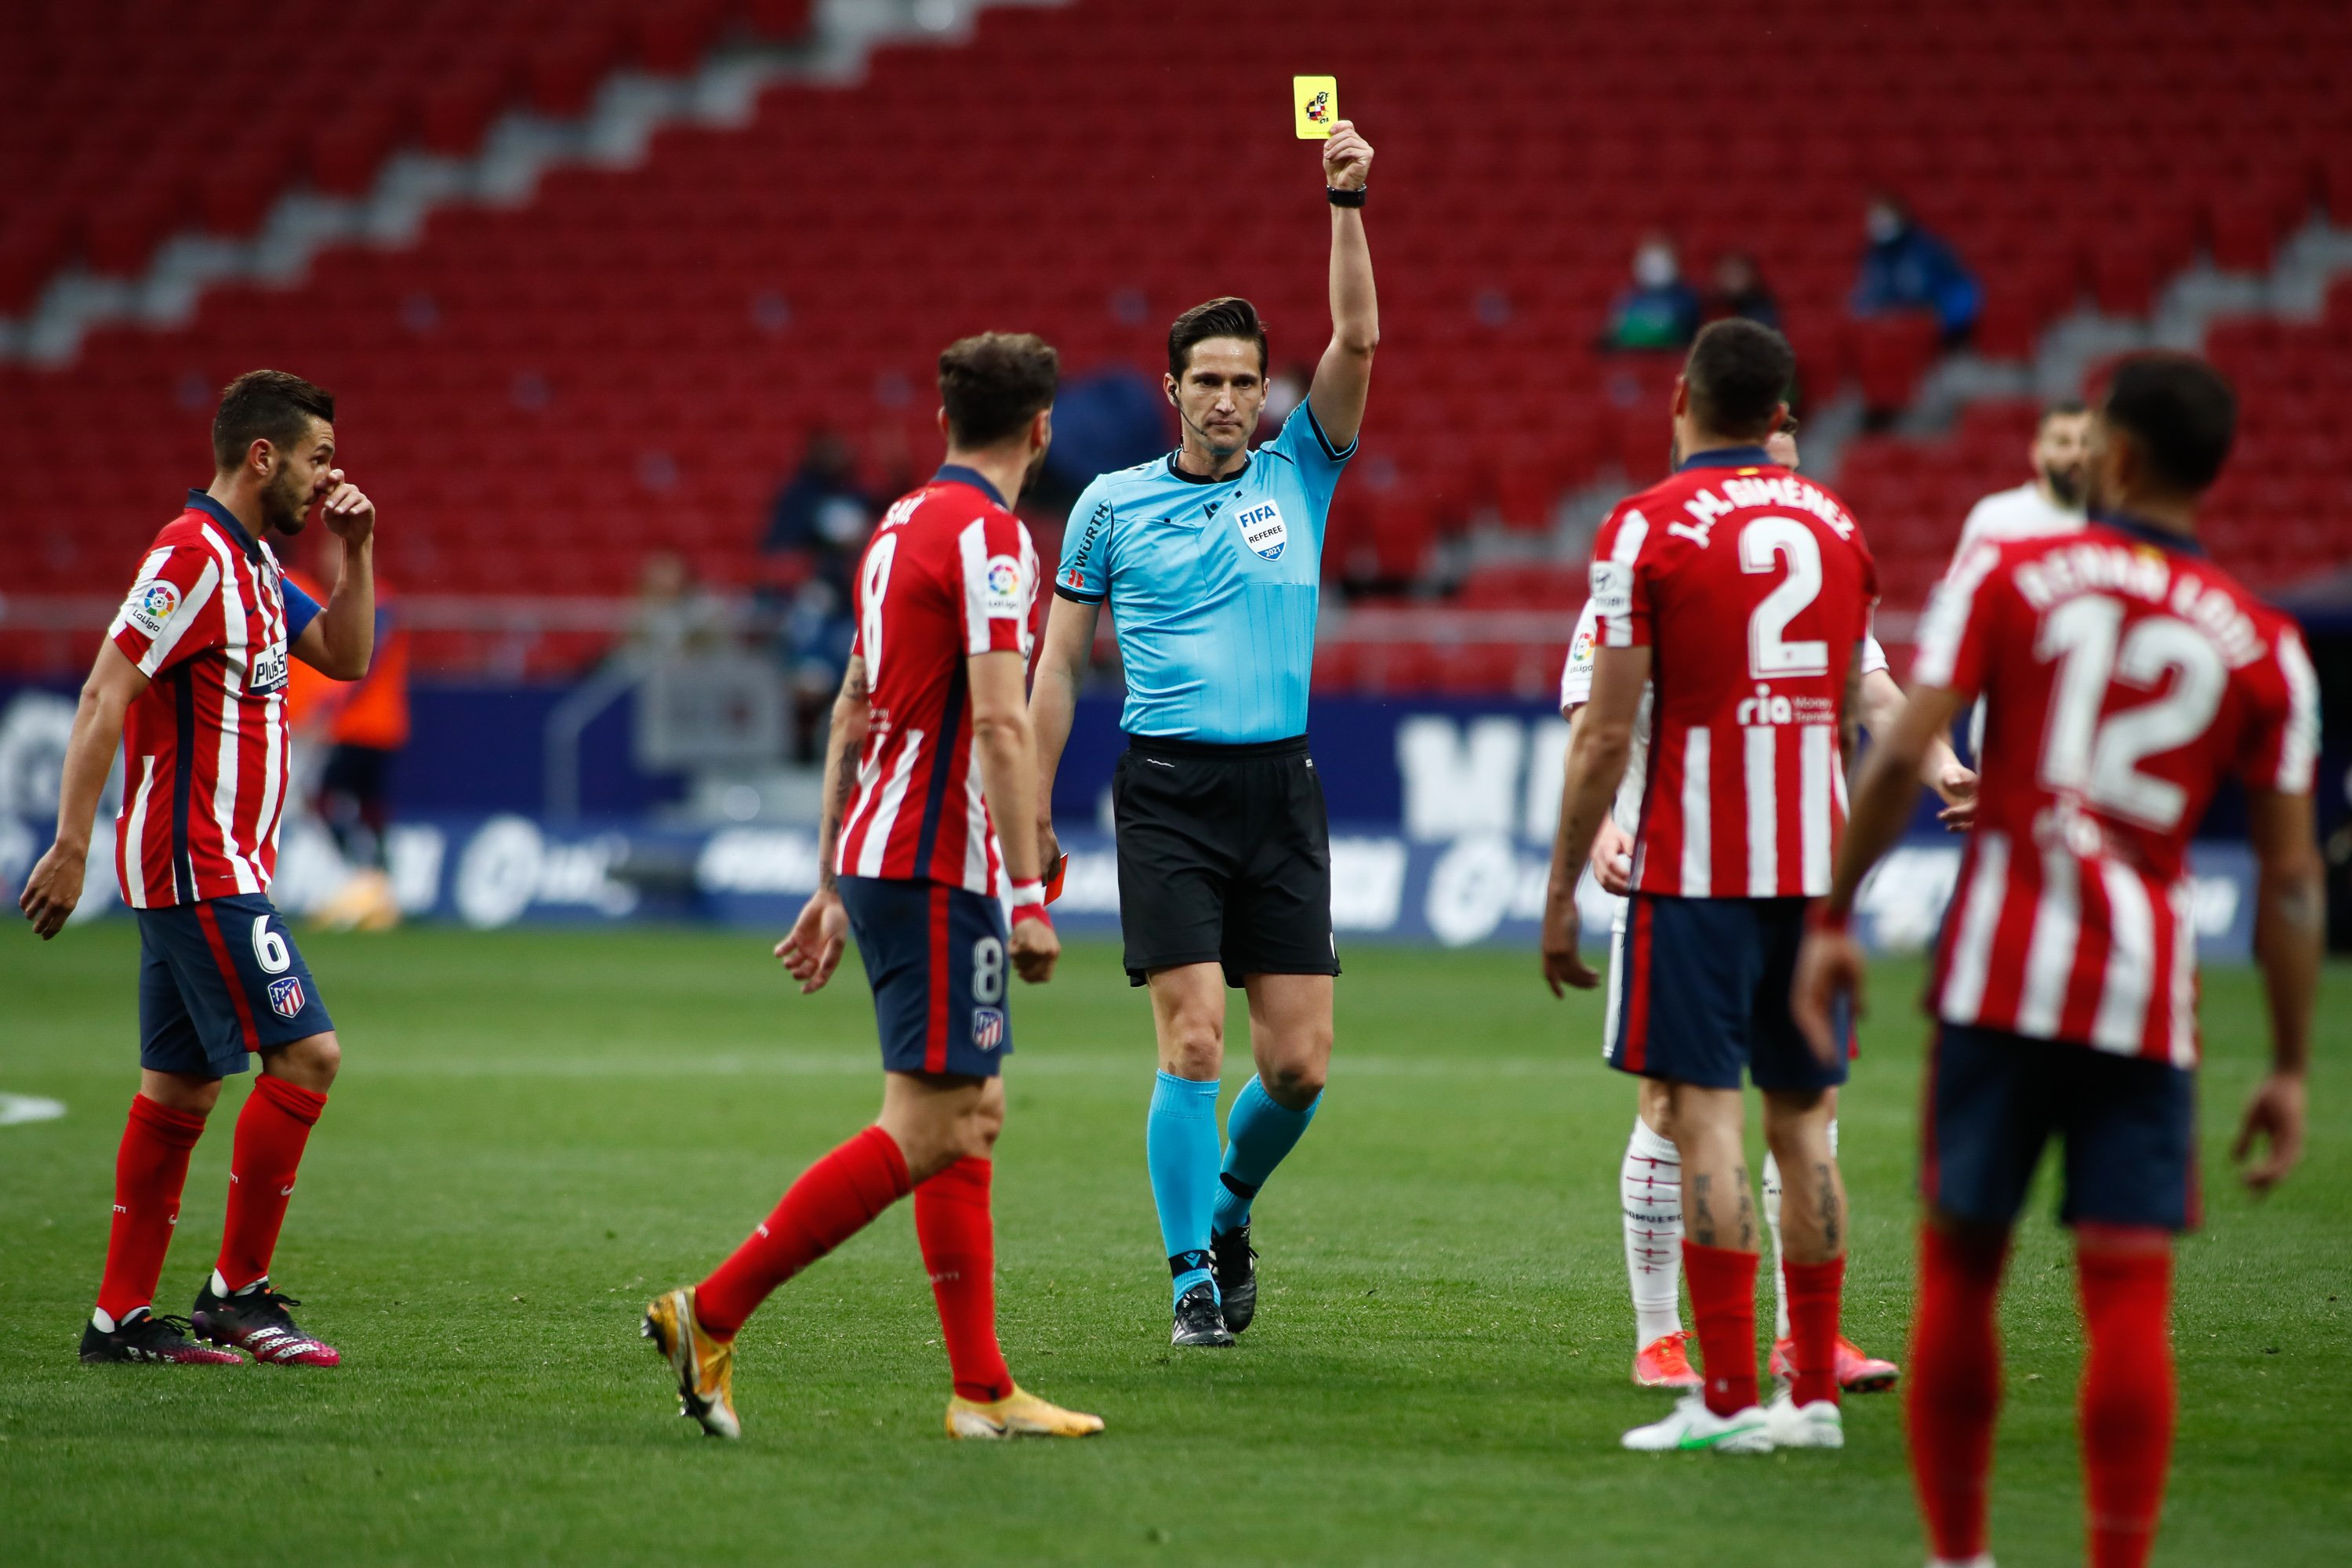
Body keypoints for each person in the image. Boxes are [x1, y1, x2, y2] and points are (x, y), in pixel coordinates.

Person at [1792, 352, 2320, 1568]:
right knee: (2127, 1295)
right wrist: (2291, 1064)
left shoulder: (2013, 575)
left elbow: (1902, 750)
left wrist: (1831, 921)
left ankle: (1959, 1556)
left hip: (1997, 973)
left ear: (2113, 456)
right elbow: (2292, 880)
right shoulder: (2266, 645)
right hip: (2144, 997)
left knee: (1963, 1274)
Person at [643, 333, 1101, 1442]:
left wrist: (830, 880)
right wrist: (1026, 894)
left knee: (970, 1115)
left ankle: (982, 1389)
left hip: (884, 854)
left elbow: (853, 705)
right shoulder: (994, 539)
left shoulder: (894, 526)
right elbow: (1001, 723)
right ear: (1042, 430)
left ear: (944, 421)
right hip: (939, 861)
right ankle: (712, 1310)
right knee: (932, 1122)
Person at [1029, 120, 1377, 1348]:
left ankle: (1227, 1213)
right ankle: (1189, 1280)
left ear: (1264, 393)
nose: (1228, 399)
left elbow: (1358, 340)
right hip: (1168, 795)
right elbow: (1058, 663)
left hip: (1280, 792)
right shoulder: (1109, 507)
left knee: (1298, 1070)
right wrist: (1030, 811)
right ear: (1172, 389)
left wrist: (1346, 204)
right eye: (1208, 381)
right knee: (1190, 1040)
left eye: (1245, 381)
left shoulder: (1300, 473)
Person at [1550, 412, 1975, 1395]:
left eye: (1786, 466)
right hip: (1677, 863)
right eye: (1761, 463)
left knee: (1807, 1104)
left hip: (1793, 872)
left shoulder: (1816, 549)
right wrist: (1606, 825)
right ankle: (1661, 1335)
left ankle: (1803, 1341)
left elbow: (1873, 690)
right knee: (1673, 1106)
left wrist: (1946, 766)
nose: (1772, 483)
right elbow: (1594, 712)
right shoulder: (1657, 548)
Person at [1543, 318, 1875, 1454]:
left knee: (1706, 1123)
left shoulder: (1646, 525)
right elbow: (1853, 697)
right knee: (1807, 1125)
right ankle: (1811, 1395)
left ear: (1681, 397)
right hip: (1812, 871)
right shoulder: (1835, 521)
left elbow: (1604, 729)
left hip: (1695, 868)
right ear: (1780, 413)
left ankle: (1728, 1400)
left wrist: (1562, 882)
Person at [17, 369, 378, 1367]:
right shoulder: (192, 555)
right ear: (262, 456)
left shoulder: (254, 564)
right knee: (308, 1056)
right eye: (316, 458)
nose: (327, 476)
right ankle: (237, 1295)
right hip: (198, 860)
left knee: (180, 1090)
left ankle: (118, 1319)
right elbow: (105, 692)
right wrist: (71, 841)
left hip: (214, 863)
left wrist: (358, 547)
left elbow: (345, 654)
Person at [1954, 400, 2092, 554]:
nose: (2077, 454)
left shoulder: (2110, 522)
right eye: (2062, 443)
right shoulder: (1995, 518)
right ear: (2037, 452)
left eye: (2086, 442)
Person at [1853, 191, 1981, 343]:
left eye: (1884, 217)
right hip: (1902, 317)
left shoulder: (1924, 247)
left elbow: (1923, 289)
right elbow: (1872, 290)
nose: (1879, 223)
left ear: (1899, 216)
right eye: (1875, 218)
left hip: (1939, 320)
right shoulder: (1875, 253)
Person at [1606, 232, 1704, 351]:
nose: (1655, 264)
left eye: (1662, 256)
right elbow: (1611, 337)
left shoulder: (1688, 298)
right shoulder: (1626, 299)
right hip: (1634, 359)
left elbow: (1690, 336)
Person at [1710, 251, 1781, 332]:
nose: (1731, 279)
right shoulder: (1710, 304)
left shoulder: (1761, 308)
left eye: (1737, 273)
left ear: (1751, 275)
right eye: (1726, 272)